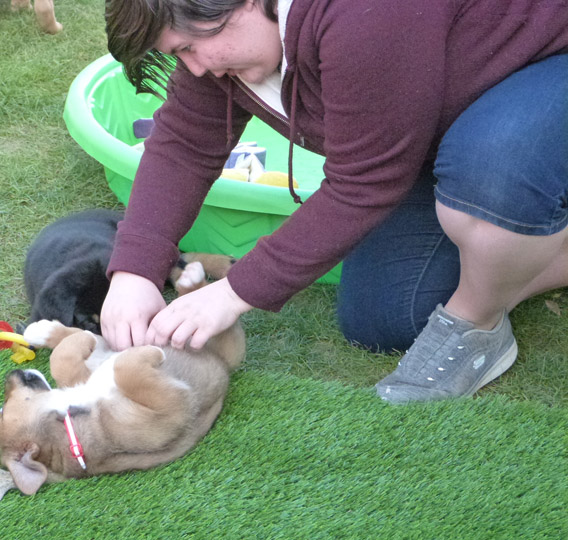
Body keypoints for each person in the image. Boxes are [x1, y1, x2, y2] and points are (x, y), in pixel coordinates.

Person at [99, 0, 568, 403]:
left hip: (546, 70)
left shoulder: (364, 15)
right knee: (388, 317)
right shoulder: (222, 36)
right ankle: (518, 240)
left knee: (490, 178)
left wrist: (234, 292)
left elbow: (364, 183)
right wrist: (135, 270)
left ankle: (478, 326)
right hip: (440, 123)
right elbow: (185, 144)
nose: (195, 67)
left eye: (188, 47)